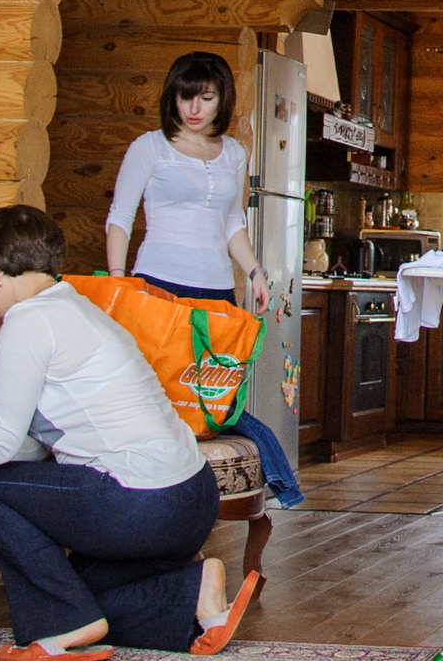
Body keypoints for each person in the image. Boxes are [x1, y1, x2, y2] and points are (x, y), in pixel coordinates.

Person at [0, 206, 259, 661]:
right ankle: (192, 590)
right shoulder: (76, 305)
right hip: (191, 500)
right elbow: (29, 442)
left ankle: (61, 626)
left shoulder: (28, 320)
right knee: (76, 590)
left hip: (144, 504)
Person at [105, 52, 301, 507]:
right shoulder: (149, 147)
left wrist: (254, 270)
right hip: (157, 285)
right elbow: (120, 217)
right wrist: (119, 281)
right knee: (160, 394)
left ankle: (201, 495)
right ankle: (153, 491)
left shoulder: (234, 153)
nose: (194, 108)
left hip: (216, 289)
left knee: (211, 397)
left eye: (206, 97)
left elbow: (233, 223)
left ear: (221, 101)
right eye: (185, 96)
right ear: (172, 98)